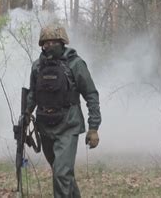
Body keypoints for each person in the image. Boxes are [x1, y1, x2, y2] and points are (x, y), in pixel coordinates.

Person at [25, 23, 101, 197]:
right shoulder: (38, 66)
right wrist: (26, 116)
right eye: (46, 43)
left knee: (61, 173)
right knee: (62, 174)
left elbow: (91, 94)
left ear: (62, 42)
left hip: (68, 126)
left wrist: (94, 127)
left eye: (54, 42)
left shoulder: (75, 64)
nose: (49, 46)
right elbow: (32, 94)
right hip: (44, 127)